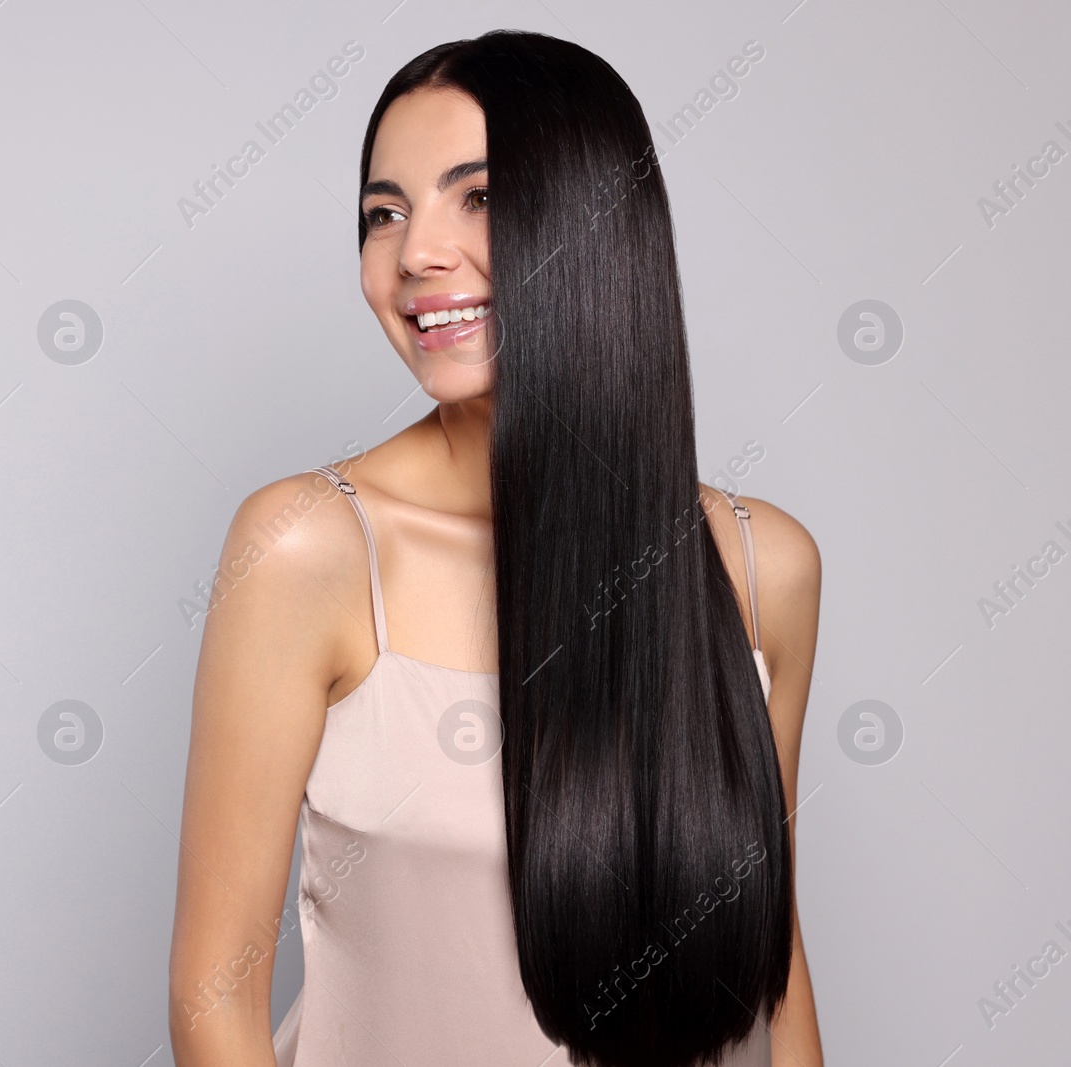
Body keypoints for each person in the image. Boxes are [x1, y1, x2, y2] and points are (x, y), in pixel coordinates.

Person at [170, 30, 823, 1067]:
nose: (414, 251)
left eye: (477, 196)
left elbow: (773, 974)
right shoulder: (308, 548)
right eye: (383, 212)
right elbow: (215, 1001)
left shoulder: (761, 565)